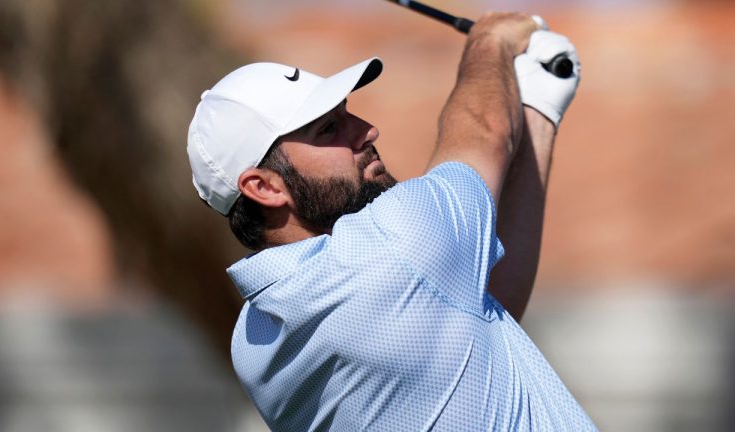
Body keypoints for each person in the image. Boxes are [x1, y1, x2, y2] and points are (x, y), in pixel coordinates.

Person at [187, 12, 596, 431]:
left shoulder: (254, 342)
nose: (368, 131)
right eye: (329, 129)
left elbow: (476, 307)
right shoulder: (389, 251)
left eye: (347, 114)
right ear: (265, 187)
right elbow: (484, 131)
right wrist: (492, 42)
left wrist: (538, 111)